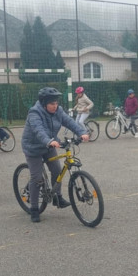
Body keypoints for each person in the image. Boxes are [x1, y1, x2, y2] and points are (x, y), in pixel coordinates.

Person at [21, 87, 90, 222]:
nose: (55, 106)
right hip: (34, 148)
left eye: (56, 103)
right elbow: (38, 130)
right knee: (37, 178)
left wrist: (81, 132)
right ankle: (34, 209)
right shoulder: (35, 113)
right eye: (52, 104)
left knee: (57, 171)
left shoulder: (58, 111)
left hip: (50, 145)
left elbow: (69, 122)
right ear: (44, 103)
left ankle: (57, 197)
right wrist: (49, 141)